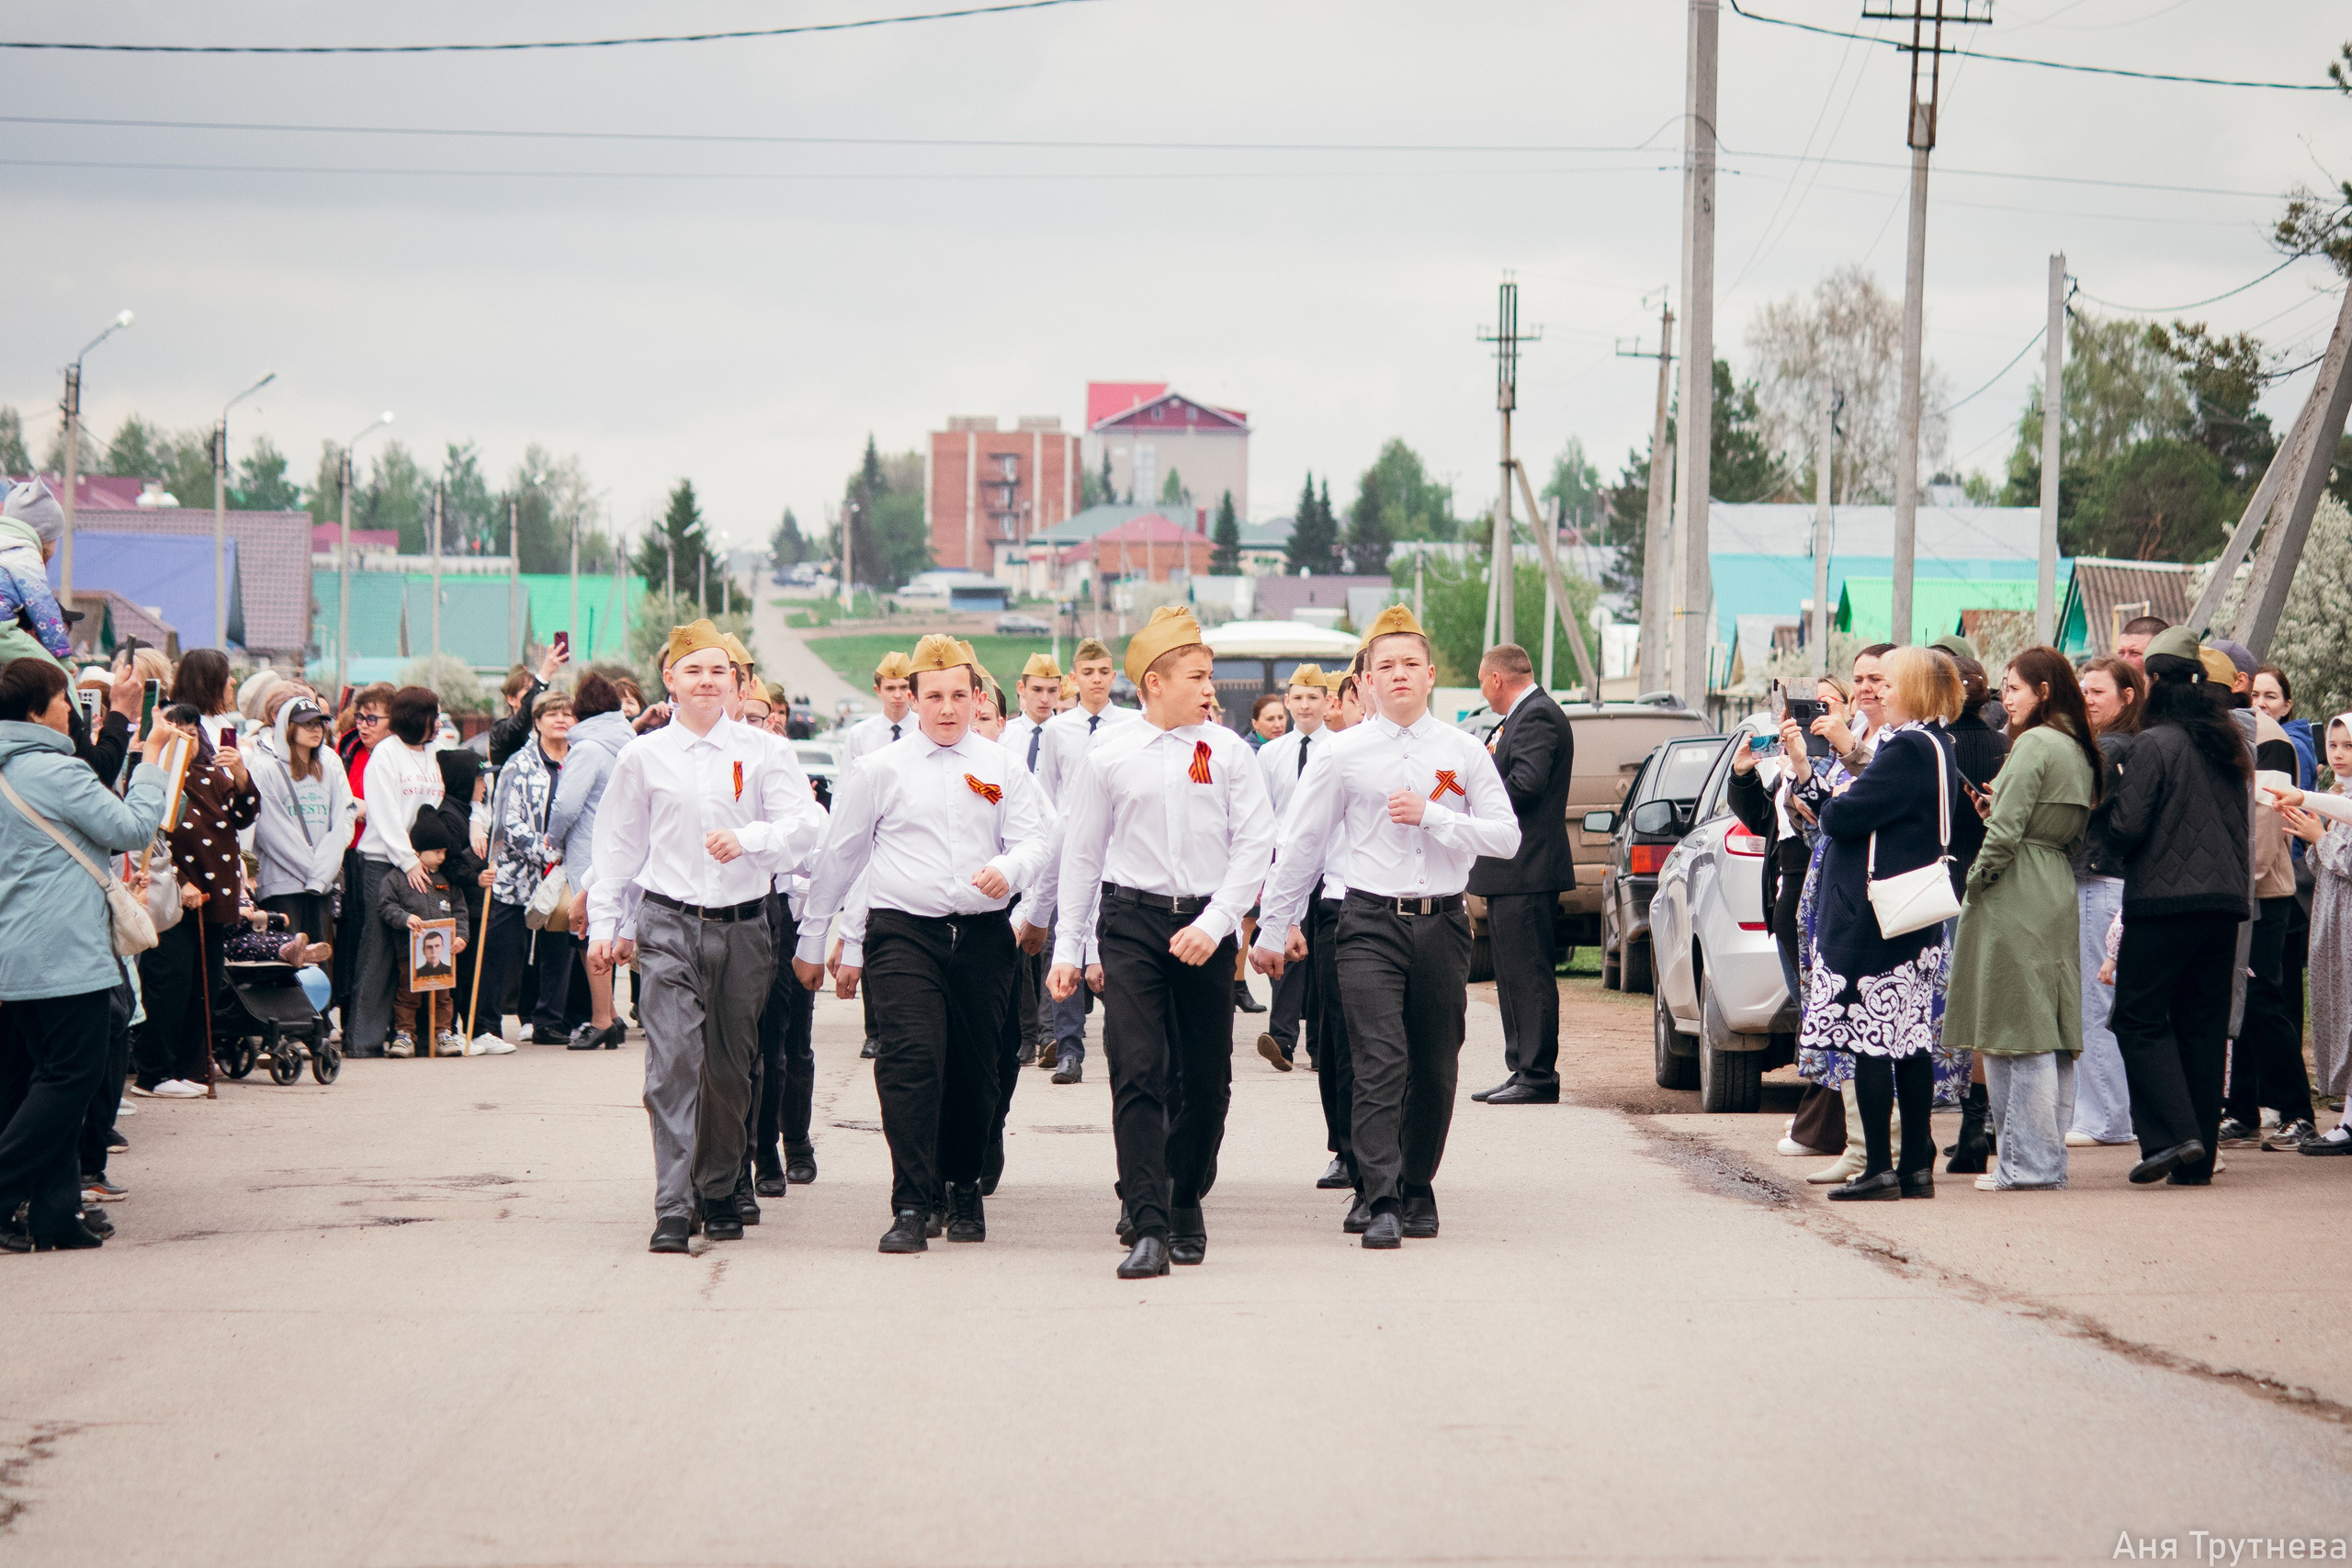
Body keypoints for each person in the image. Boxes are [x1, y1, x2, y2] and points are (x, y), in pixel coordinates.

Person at [1253, 605, 1520, 1248]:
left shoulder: (1462, 751)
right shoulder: (1343, 754)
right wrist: (1273, 924)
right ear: (1367, 680)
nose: (1398, 675)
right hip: (1367, 919)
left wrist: (1435, 816)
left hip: (1443, 922)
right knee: (1378, 1059)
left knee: (1434, 1062)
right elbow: (1304, 844)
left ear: (1430, 675)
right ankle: (1379, 1196)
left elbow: (1507, 837)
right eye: (1385, 666)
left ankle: (1417, 1182)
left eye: (1409, 664)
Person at [794, 634, 1049, 1256]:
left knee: (977, 1068)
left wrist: (1011, 871)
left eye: (959, 695)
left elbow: (1040, 837)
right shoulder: (880, 771)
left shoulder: (1000, 766)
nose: (946, 708)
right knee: (910, 1060)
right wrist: (816, 935)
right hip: (904, 933)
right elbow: (842, 855)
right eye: (933, 695)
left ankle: (961, 1183)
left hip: (984, 936)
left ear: (977, 696)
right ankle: (911, 1199)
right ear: (911, 699)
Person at [1045, 608, 1273, 1277]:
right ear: (1153, 681)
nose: (1211, 689)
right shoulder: (1109, 755)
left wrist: (1218, 920)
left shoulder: (1229, 752)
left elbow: (1256, 841)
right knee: (1137, 1066)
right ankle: (1147, 1219)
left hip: (1206, 921)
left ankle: (1183, 1195)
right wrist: (1068, 949)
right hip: (1132, 924)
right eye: (1198, 677)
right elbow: (1082, 856)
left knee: (1207, 1081)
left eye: (1212, 676)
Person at [587, 620, 825, 1255]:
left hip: (746, 926)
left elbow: (809, 826)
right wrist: (607, 921)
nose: (706, 681)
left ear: (734, 681)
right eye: (693, 670)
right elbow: (617, 843)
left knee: (728, 1067)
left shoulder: (764, 751)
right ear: (670, 678)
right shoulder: (643, 756)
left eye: (718, 671)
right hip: (668, 925)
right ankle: (672, 1202)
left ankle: (719, 1186)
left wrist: (751, 840)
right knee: (671, 1065)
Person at [0, 657, 175, 1251]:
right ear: (35, 713)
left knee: (38, 1081)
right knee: (71, 1081)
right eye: (62, 701)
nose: (71, 711)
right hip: (63, 951)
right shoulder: (53, 770)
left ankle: (54, 1213)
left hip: (15, 954)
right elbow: (130, 827)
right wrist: (151, 762)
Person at [1799, 646, 1962, 1202]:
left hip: (1875, 916)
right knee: (1909, 1041)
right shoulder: (1939, 743)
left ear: (1914, 687)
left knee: (1868, 1039)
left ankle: (1880, 1169)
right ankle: (1915, 1163)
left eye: (1889, 684)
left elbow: (1845, 815)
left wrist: (1821, 792)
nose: (1879, 693)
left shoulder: (1908, 747)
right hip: (1911, 910)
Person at [1944, 649, 2101, 1190]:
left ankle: (2024, 1165)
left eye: (2014, 688)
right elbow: (2061, 829)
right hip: (2054, 880)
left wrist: (1974, 880)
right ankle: (2043, 1162)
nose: (2004, 698)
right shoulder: (2076, 746)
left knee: (2015, 1030)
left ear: (2044, 691)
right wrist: (2001, 815)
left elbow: (2006, 836)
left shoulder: (2033, 743)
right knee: (2046, 1029)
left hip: (2015, 889)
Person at [2101, 626, 2251, 1186]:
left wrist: (2105, 802)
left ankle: (2174, 1134)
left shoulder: (2155, 743)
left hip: (2163, 903)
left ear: (2157, 682)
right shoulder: (2228, 743)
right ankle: (2198, 1162)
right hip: (2224, 906)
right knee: (2202, 1025)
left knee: (2138, 1017)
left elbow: (2127, 827)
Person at [1789, 647, 1896, 1186]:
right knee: (1851, 1027)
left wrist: (1845, 751)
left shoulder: (1904, 742)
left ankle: (1887, 1150)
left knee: (1884, 1029)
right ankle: (1861, 1147)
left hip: (1880, 898)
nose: (1867, 689)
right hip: (1836, 890)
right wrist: (1803, 764)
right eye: (1860, 680)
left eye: (1878, 679)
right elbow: (1823, 818)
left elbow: (1863, 806)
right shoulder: (1861, 740)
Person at [1465, 643, 1575, 1106]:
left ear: (1496, 679)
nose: (1485, 694)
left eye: (1482, 683)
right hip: (1512, 870)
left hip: (1527, 868)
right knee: (1510, 975)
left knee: (1528, 975)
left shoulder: (1538, 716)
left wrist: (1476, 806)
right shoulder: (1520, 716)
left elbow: (1526, 784)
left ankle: (1538, 1075)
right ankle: (1521, 1068)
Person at [1031, 637, 1142, 1082]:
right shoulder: (1058, 729)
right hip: (1073, 846)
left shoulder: (1131, 725)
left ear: (1113, 677)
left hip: (1118, 847)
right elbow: (1047, 793)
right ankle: (1068, 1049)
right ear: (1073, 679)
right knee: (1069, 940)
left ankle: (1122, 1044)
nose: (1096, 681)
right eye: (1087, 673)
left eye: (1103, 673)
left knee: (1116, 950)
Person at [2068, 656, 2145, 1148]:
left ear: (2127, 696)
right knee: (2102, 998)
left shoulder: (2112, 746)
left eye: (2098, 692)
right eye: (2083, 691)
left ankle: (2106, 1119)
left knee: (2095, 1001)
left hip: (2100, 880)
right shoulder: (2123, 744)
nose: (2088, 700)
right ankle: (2106, 1113)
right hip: (2109, 881)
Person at [345, 686, 445, 1058]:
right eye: (433, 715)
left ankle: (412, 1034)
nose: (437, 722)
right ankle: (363, 1039)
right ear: (418, 717)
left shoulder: (432, 753)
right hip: (384, 862)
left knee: (417, 948)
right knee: (379, 949)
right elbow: (384, 813)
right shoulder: (385, 755)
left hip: (422, 863)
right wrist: (408, 859)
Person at [474, 693, 577, 1044]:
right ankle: (484, 1026)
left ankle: (548, 1021)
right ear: (537, 721)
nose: (561, 719)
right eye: (552, 714)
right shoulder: (519, 764)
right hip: (515, 873)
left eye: (567, 713)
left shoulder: (579, 759)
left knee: (557, 948)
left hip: (563, 872)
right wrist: (544, 852)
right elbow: (507, 821)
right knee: (500, 949)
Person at [2274, 719, 2352, 1149]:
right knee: (2338, 1009)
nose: (2339, 754)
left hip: (2347, 921)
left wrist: (2320, 836)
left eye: (2349, 745)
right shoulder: (2337, 797)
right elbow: (2323, 865)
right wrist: (2317, 840)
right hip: (2332, 917)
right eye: (2334, 745)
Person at [547, 672, 634, 1051]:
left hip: (590, 850)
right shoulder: (628, 741)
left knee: (588, 932)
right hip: (625, 847)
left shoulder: (587, 749)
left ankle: (600, 1018)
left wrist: (552, 837)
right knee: (608, 929)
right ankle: (611, 1013)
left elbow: (566, 805)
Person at [1251, 664, 1330, 1070]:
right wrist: (1264, 871)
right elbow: (1262, 815)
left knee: (1320, 954)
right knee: (1281, 944)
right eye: (1297, 697)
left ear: (1327, 702)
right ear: (1287, 701)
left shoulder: (1338, 747)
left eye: (1312, 697)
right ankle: (1281, 1039)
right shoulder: (1271, 753)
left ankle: (1319, 1046)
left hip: (1328, 865)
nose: (1304, 705)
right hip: (1285, 863)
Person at [248, 695, 356, 963]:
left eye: (320, 723)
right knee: (286, 965)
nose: (316, 729)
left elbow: (338, 826)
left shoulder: (329, 771)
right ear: (287, 727)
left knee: (319, 964)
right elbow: (271, 831)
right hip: (282, 886)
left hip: (320, 886)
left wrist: (321, 877)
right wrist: (315, 872)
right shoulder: (266, 770)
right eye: (306, 724)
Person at [379, 809, 469, 1056]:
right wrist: (405, 918)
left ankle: (443, 1034)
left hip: (444, 954)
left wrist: (461, 936)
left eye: (444, 852)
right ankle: (405, 1035)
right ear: (418, 851)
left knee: (443, 996)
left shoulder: (446, 880)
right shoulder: (398, 878)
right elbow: (386, 906)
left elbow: (460, 911)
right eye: (437, 852)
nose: (442, 857)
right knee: (408, 995)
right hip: (410, 952)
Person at [469, 648, 571, 766]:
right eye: (528, 690)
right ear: (511, 699)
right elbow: (522, 721)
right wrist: (544, 675)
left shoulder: (546, 730)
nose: (535, 696)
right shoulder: (501, 731)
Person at [839, 651, 915, 765]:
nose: (897, 695)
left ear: (912, 689)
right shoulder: (859, 735)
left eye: (904, 687)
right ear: (878, 690)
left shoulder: (925, 730)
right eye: (890, 688)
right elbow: (847, 780)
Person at [169, 648, 238, 749]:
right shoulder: (193, 728)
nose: (233, 681)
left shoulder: (217, 719)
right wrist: (247, 749)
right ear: (210, 684)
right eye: (226, 676)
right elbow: (224, 761)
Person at [1001, 653, 1058, 774]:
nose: (1045, 699)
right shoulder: (1003, 735)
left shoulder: (1066, 736)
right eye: (1037, 689)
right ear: (1021, 688)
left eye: (1052, 690)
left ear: (1060, 690)